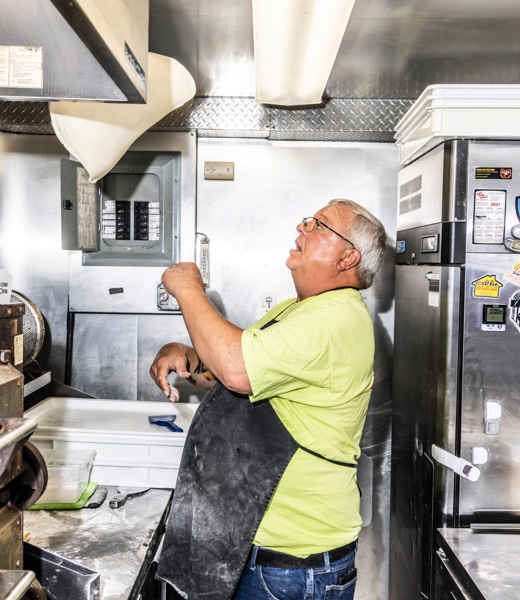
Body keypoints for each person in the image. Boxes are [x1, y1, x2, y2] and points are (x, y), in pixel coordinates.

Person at [150, 199, 387, 600]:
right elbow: (234, 373)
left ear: (348, 257)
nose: (303, 226)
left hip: (293, 563)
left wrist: (187, 288)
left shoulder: (334, 318)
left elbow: (238, 371)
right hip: (262, 548)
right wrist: (190, 356)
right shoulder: (300, 310)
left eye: (319, 225)